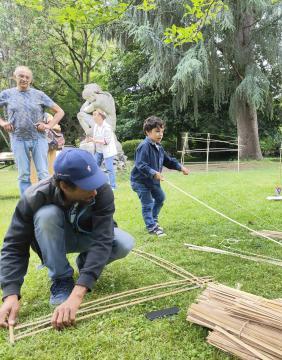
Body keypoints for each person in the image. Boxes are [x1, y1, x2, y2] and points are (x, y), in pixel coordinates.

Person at [0, 148, 134, 330]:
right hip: (54, 240)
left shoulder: (101, 190)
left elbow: (103, 239)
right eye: (88, 185)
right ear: (64, 186)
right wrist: (10, 293)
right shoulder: (34, 196)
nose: (95, 191)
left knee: (124, 243)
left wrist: (78, 294)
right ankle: (62, 279)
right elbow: (14, 246)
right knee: (46, 215)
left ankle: (86, 263)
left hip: (89, 237)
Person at [0, 66, 65, 194]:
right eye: (21, 76)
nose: (24, 79)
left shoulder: (39, 95)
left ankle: (46, 200)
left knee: (43, 173)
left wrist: (48, 126)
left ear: (30, 80)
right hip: (17, 138)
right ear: (15, 77)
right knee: (24, 174)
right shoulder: (7, 94)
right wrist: (3, 123)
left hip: (38, 138)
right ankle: (27, 204)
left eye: (27, 77)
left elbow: (60, 111)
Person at [130, 116, 189, 237]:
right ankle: (152, 227)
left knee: (160, 198)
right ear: (147, 132)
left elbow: (168, 161)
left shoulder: (159, 147)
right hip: (140, 182)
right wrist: (153, 173)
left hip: (153, 182)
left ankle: (153, 219)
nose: (160, 134)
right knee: (147, 204)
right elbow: (140, 164)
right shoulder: (144, 146)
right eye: (157, 131)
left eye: (162, 131)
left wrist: (180, 167)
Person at [86, 109, 118, 190]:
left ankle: (113, 186)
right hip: (99, 150)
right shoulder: (96, 126)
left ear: (100, 116)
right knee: (94, 166)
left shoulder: (107, 127)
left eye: (94, 114)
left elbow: (106, 141)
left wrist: (93, 140)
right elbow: (96, 138)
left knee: (109, 169)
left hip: (108, 151)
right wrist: (91, 139)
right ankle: (97, 184)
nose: (93, 116)